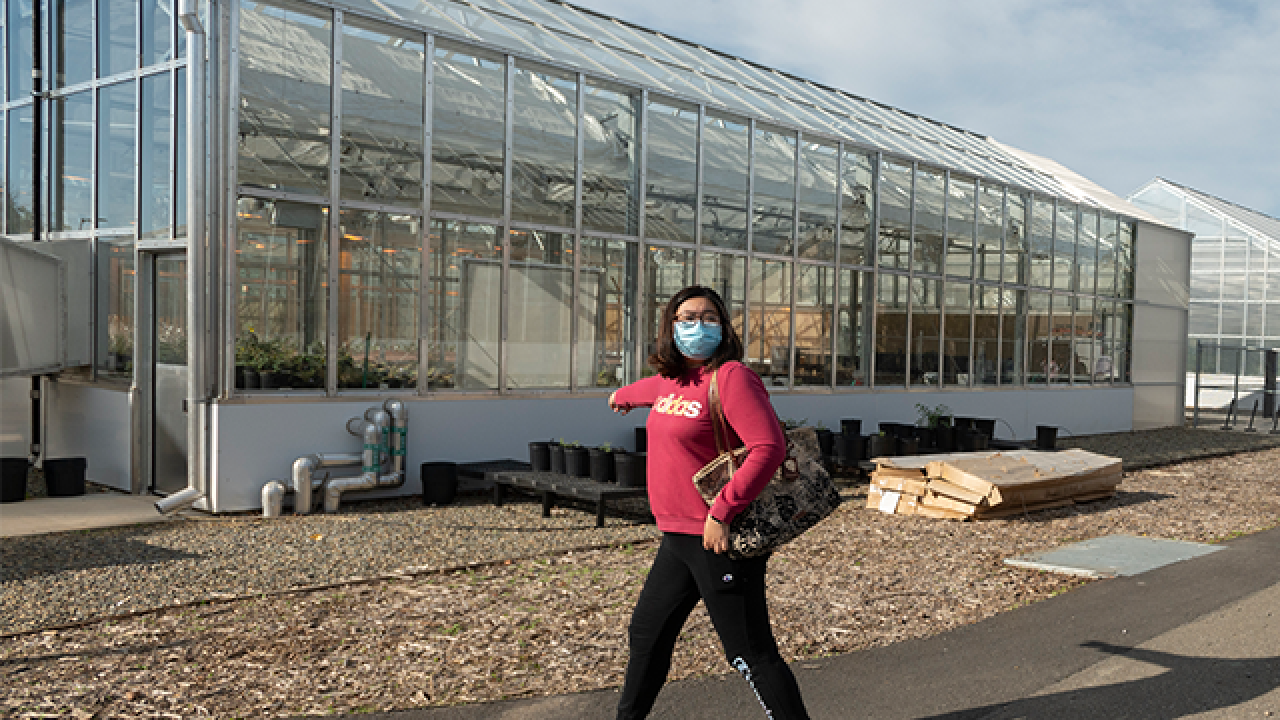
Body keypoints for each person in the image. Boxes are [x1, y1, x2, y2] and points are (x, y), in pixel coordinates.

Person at [609, 285, 811, 720]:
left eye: (708, 318)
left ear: (723, 327)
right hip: (677, 537)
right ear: (670, 326)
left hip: (717, 536)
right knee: (647, 636)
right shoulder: (675, 380)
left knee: (750, 653)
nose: (697, 326)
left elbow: (768, 448)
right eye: (687, 318)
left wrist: (722, 511)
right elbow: (654, 389)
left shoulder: (733, 378)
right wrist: (622, 396)